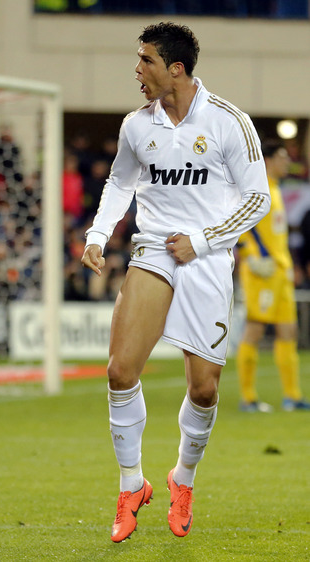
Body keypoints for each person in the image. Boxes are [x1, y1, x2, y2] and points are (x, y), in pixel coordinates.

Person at [81, 22, 271, 542]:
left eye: (145, 60)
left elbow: (259, 200)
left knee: (205, 388)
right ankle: (130, 485)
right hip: (153, 250)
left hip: (206, 259)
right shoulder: (135, 126)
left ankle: (181, 479)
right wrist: (98, 234)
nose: (137, 70)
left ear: (176, 68)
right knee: (121, 371)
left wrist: (205, 241)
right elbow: (121, 182)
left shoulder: (231, 122)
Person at [236, 140, 310, 412]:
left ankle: (291, 396)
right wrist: (249, 256)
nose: (285, 162)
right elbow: (238, 223)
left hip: (280, 272)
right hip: (261, 273)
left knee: (288, 331)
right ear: (266, 160)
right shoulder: (257, 190)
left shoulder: (276, 190)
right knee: (254, 329)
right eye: (280, 157)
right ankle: (248, 398)